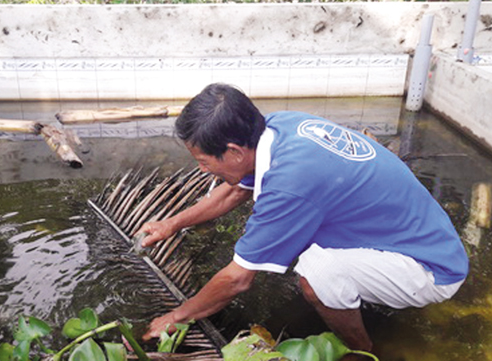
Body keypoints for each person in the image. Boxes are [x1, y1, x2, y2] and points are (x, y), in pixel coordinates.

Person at [137, 83, 469, 355]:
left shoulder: (290, 185)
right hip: (423, 235)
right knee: (316, 258)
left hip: (431, 268)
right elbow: (235, 190)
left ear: (235, 151)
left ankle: (362, 351)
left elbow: (238, 279)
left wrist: (178, 316)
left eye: (204, 161)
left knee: (316, 272)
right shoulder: (280, 126)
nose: (201, 169)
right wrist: (172, 223)